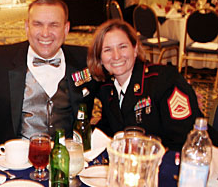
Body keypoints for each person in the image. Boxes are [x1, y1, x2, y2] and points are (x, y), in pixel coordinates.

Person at [0, 0, 96, 158]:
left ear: (66, 29)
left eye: (54, 25)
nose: (45, 33)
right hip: (16, 162)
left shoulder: (85, 59)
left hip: (67, 160)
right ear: (27, 27)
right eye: (38, 24)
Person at [87, 19, 214, 151]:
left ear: (135, 49)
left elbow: (185, 141)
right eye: (107, 50)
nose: (116, 55)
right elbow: (109, 130)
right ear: (100, 58)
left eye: (122, 47)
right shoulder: (107, 90)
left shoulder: (165, 81)